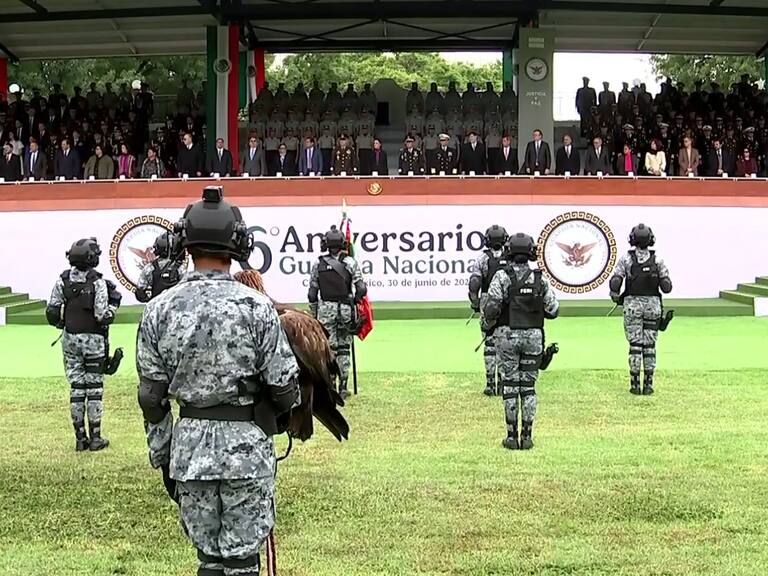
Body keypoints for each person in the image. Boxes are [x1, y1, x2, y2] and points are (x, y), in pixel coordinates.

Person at [136, 187, 299, 576]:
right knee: (242, 560)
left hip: (189, 450)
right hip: (247, 449)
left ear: (185, 244)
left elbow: (151, 398)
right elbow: (283, 386)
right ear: (239, 243)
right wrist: (270, 421)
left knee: (207, 559)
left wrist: (164, 456)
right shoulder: (257, 305)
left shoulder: (159, 308)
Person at [482, 233, 559, 450]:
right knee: (528, 387)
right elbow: (553, 310)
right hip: (533, 337)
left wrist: (486, 326)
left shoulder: (502, 277)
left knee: (510, 385)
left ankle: (510, 435)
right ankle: (527, 435)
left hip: (507, 337)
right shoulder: (539, 279)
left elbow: (491, 308)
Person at [45, 238, 121, 451]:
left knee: (77, 388)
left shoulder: (63, 280)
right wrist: (114, 304)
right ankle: (96, 437)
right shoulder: (97, 282)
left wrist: (63, 324)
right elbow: (102, 316)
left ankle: (80, 438)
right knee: (94, 389)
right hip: (94, 341)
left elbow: (52, 311)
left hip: (70, 340)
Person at [609, 224, 672, 395]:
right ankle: (649, 384)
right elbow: (667, 287)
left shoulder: (626, 259)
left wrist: (615, 295)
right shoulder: (658, 260)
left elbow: (615, 281)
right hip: (653, 307)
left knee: (635, 345)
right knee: (650, 346)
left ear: (632, 239)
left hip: (632, 306)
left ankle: (635, 384)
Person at [308, 225, 367, 400]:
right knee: (344, 347)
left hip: (326, 310)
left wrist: (315, 314)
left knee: (329, 349)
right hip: (346, 310)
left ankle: (330, 385)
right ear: (342, 243)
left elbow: (312, 293)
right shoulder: (350, 263)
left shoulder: (318, 264)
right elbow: (361, 288)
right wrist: (355, 302)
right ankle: (343, 386)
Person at [468, 225, 508, 396]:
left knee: (489, 343)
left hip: (487, 302)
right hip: (507, 303)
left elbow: (474, 284)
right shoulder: (512, 258)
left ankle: (491, 384)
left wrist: (475, 303)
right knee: (506, 345)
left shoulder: (481, 259)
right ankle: (504, 384)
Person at [135, 232, 185, 303]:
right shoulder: (180, 267)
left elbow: (140, 293)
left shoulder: (149, 268)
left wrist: (150, 301)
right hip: (176, 308)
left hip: (156, 308)